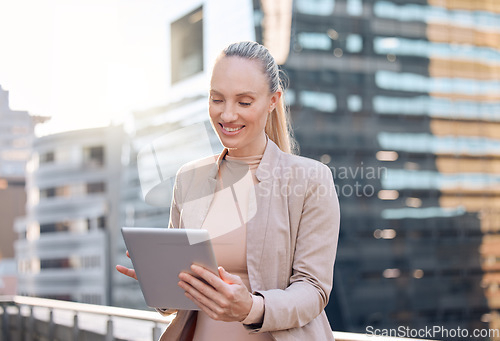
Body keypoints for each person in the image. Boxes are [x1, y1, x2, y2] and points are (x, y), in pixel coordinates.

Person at [117, 41, 340, 341]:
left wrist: (252, 308)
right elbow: (176, 301)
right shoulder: (189, 179)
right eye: (217, 99)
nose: (228, 115)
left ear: (273, 100)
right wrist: (158, 284)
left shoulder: (311, 179)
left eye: (244, 102)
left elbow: (313, 289)